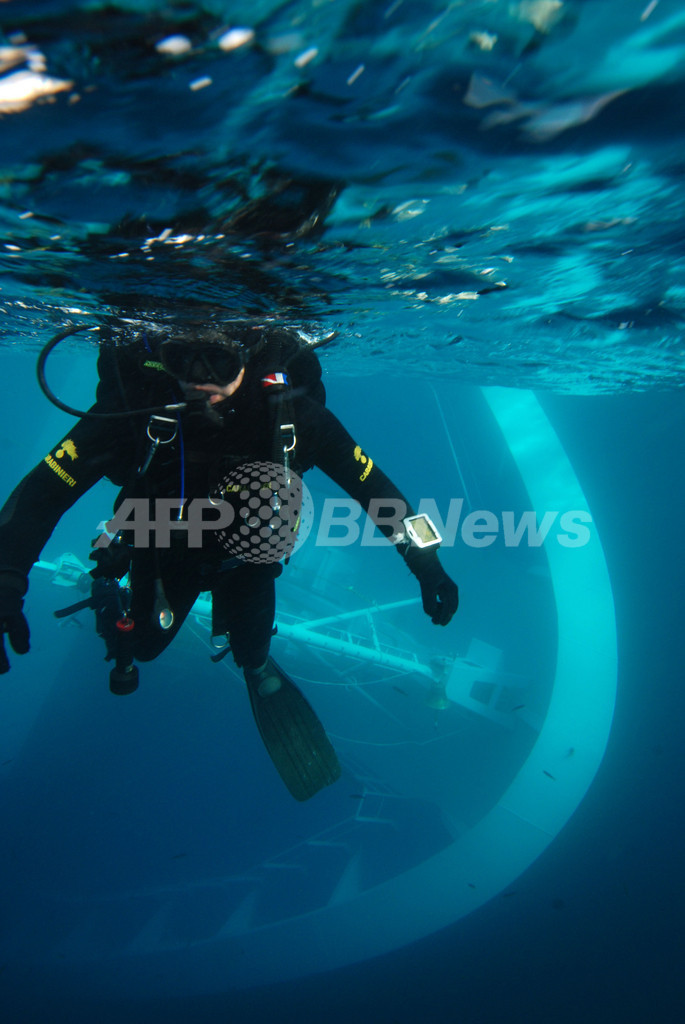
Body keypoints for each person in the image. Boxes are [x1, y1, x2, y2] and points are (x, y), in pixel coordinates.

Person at [0, 322, 459, 799]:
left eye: (217, 361)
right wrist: (7, 577)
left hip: (248, 561)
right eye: (183, 360)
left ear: (249, 353)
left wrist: (428, 564)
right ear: (162, 356)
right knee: (143, 650)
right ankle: (111, 601)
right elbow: (42, 493)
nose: (199, 380)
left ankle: (258, 668)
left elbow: (376, 489)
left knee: (253, 655)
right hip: (161, 555)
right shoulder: (131, 411)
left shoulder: (294, 416)